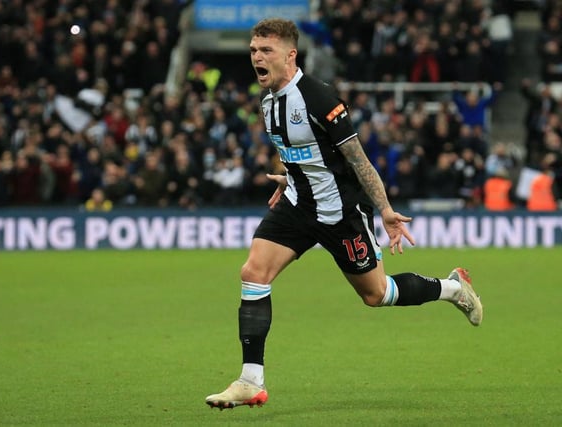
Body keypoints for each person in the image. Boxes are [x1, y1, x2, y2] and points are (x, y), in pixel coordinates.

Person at [205, 18, 483, 411]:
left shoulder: (319, 98)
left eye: (265, 51)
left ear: (290, 55)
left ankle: (453, 288)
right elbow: (301, 152)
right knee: (253, 273)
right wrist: (289, 177)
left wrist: (384, 209)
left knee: (377, 294)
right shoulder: (268, 101)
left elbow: (358, 159)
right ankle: (251, 380)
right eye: (253, 50)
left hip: (340, 212)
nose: (256, 57)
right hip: (299, 204)